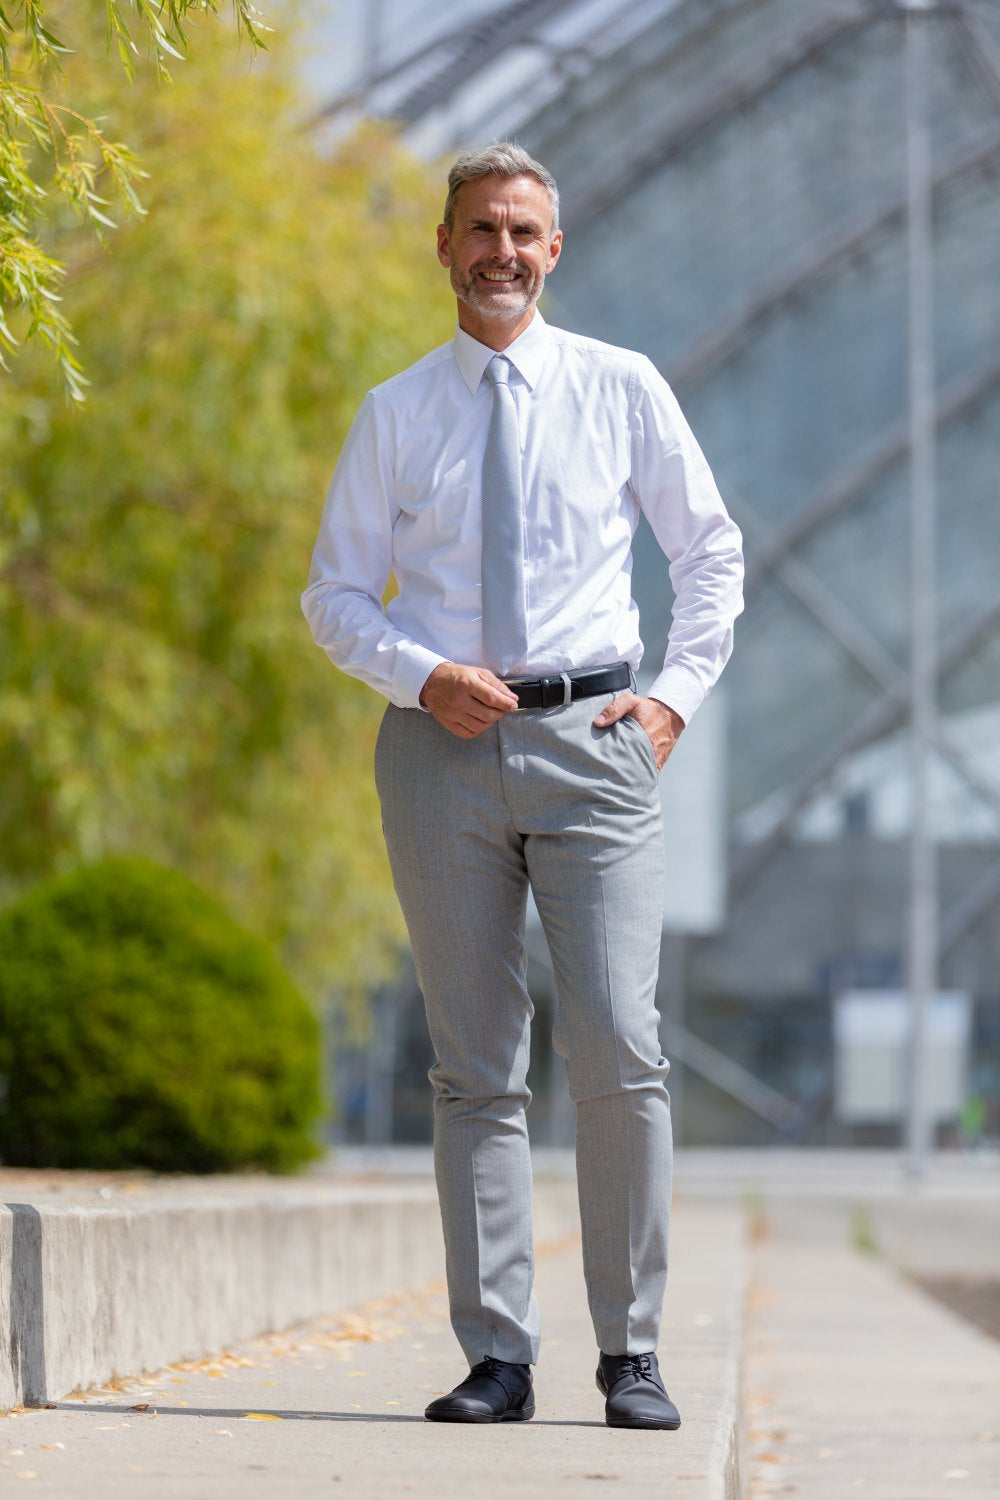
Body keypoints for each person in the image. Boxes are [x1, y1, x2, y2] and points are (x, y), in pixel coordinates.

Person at [301, 142, 744, 1430]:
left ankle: (632, 1353)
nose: (502, 251)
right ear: (444, 247)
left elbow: (709, 552)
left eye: (523, 232)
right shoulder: (396, 413)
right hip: (438, 752)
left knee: (618, 1044)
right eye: (480, 230)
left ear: (555, 250)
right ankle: (498, 1354)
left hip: (596, 745)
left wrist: (673, 698)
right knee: (474, 1066)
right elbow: (334, 596)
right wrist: (420, 672)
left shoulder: (620, 387)